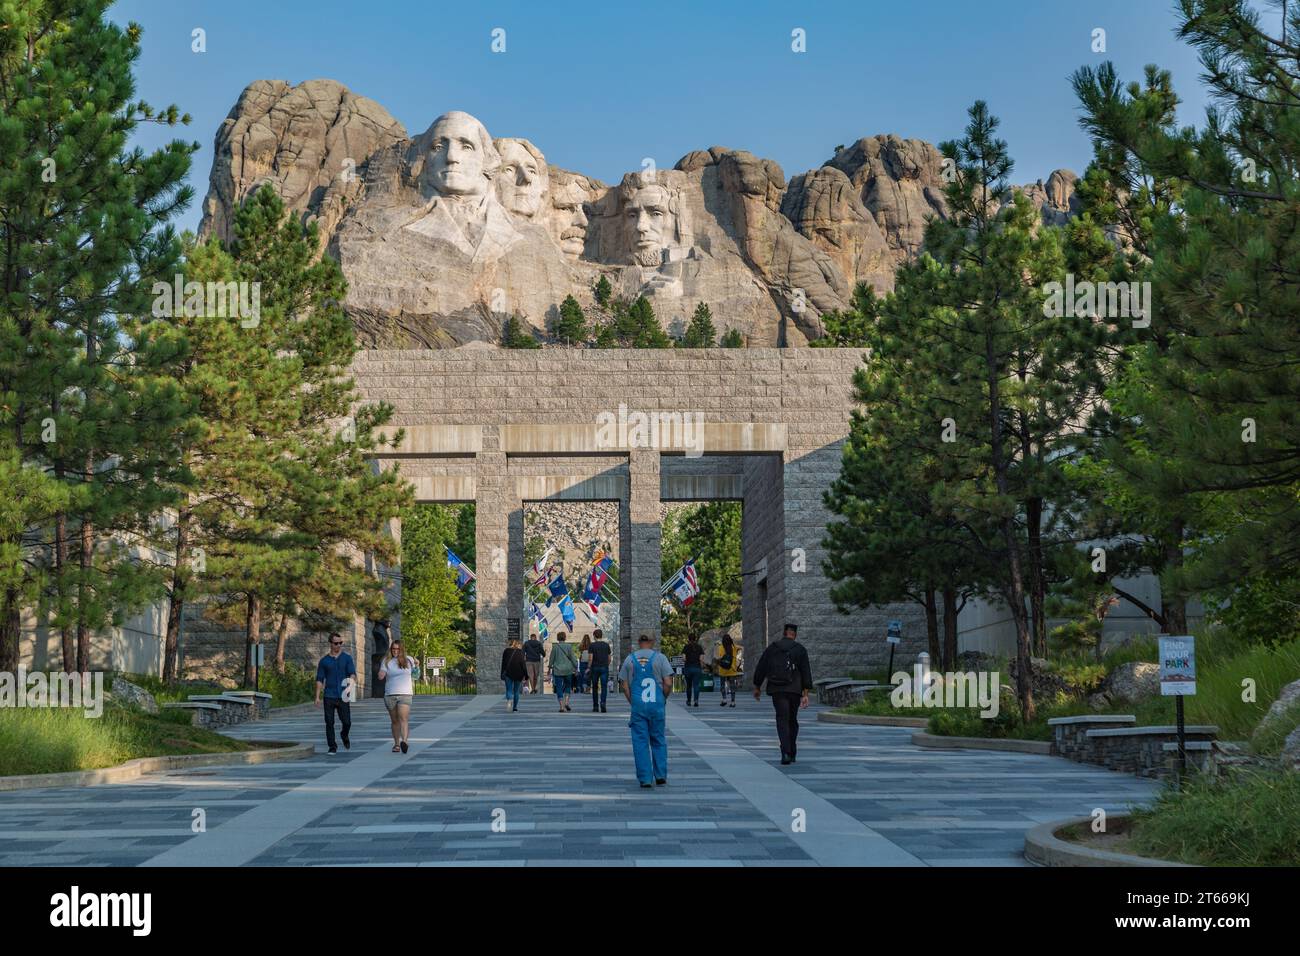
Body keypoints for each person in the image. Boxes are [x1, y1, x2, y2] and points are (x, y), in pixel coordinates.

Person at [752, 623, 813, 765]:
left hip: (777, 689)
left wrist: (757, 686)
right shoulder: (800, 649)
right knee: (792, 719)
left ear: (784, 633)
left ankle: (785, 752)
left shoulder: (772, 648)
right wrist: (805, 693)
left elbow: (761, 667)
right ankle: (792, 751)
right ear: (794, 634)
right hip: (794, 690)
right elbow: (806, 672)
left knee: (782, 719)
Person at [619, 634, 673, 788]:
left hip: (638, 706)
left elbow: (623, 684)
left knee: (640, 742)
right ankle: (661, 775)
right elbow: (668, 683)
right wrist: (663, 697)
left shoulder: (630, 659)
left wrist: (632, 701)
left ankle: (645, 778)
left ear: (639, 642)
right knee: (658, 740)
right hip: (656, 705)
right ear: (652, 641)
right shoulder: (660, 658)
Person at [314, 633, 356, 754]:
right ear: (331, 644)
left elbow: (352, 673)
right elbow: (319, 679)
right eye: (336, 643)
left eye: (340, 643)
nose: (339, 645)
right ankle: (332, 746)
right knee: (329, 722)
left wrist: (351, 684)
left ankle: (344, 735)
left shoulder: (347, 658)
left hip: (343, 695)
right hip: (329, 696)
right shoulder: (324, 661)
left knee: (347, 722)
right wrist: (317, 696)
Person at [378, 639, 419, 754]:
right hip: (390, 694)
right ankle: (396, 744)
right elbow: (381, 675)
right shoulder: (386, 661)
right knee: (395, 721)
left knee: (403, 719)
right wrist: (381, 674)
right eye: (393, 649)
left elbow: (415, 676)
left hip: (405, 694)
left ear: (402, 649)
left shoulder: (409, 660)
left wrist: (417, 666)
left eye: (397, 649)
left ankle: (404, 742)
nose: (395, 651)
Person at [548, 631, 577, 712]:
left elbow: (551, 659)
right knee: (568, 686)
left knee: (559, 688)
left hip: (558, 670)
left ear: (557, 638)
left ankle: (561, 706)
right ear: (565, 637)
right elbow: (573, 658)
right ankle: (567, 702)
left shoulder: (555, 647)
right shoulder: (569, 646)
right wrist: (575, 667)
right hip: (568, 670)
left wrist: (549, 668)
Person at [713, 633, 743, 707]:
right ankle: (733, 702)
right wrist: (740, 659)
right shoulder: (734, 647)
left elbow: (717, 658)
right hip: (732, 670)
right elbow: (742, 648)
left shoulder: (720, 648)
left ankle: (724, 699)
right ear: (730, 640)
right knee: (732, 686)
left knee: (722, 685)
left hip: (723, 669)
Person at [500, 636, 528, 712]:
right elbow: (523, 664)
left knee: (509, 690)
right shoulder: (520, 652)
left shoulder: (506, 651)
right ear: (518, 644)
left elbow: (503, 663)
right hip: (518, 674)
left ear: (510, 644)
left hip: (508, 673)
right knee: (516, 691)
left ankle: (509, 701)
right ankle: (515, 707)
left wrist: (502, 673)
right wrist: (526, 675)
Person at [588, 628, 612, 712]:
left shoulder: (592, 645)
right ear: (601, 636)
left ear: (594, 636)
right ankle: (603, 703)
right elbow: (609, 658)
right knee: (604, 687)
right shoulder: (606, 645)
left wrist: (588, 667)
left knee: (594, 687)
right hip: (604, 668)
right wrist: (606, 665)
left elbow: (590, 658)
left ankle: (595, 706)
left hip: (594, 668)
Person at [682, 633, 704, 707]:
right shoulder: (699, 647)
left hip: (688, 668)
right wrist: (701, 667)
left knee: (688, 686)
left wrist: (688, 660)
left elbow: (684, 658)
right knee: (696, 685)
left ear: (688, 639)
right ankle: (696, 700)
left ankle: (688, 701)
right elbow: (701, 659)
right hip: (697, 668)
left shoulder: (686, 647)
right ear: (695, 639)